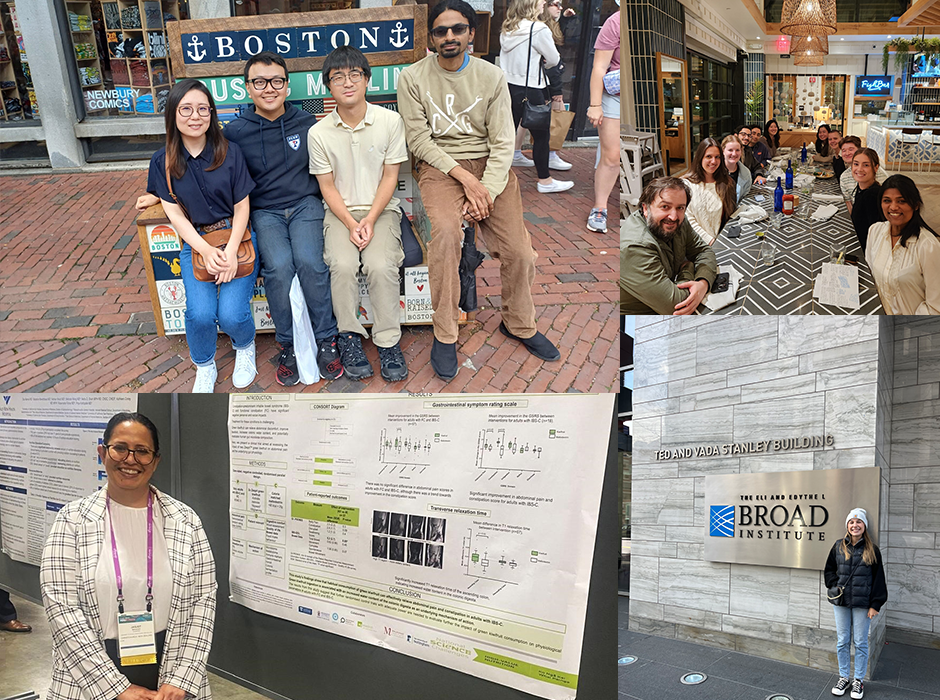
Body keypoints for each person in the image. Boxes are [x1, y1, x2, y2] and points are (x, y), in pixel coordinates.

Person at [398, 0, 560, 381]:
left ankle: (519, 323)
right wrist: (467, 183)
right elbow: (418, 139)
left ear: (472, 33)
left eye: (458, 29)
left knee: (521, 252)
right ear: (432, 38)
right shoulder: (413, 78)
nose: (450, 37)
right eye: (441, 31)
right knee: (446, 238)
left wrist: (485, 187)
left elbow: (504, 141)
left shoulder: (492, 76)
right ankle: (445, 331)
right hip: (440, 168)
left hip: (490, 166)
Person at [40, 412, 216, 700]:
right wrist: (116, 688)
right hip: (89, 676)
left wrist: (182, 678)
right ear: (102, 453)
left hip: (170, 678)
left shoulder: (186, 521)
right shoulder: (72, 520)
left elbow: (203, 603)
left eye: (142, 452)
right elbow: (61, 609)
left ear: (156, 460)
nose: (130, 459)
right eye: (120, 448)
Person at [223, 52, 344, 384]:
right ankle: (288, 344)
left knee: (309, 261)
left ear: (287, 86)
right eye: (259, 82)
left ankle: (326, 339)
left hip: (305, 204)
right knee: (278, 267)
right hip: (265, 211)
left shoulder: (308, 123)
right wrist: (160, 191)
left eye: (276, 81)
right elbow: (208, 169)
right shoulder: (234, 132)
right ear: (248, 88)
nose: (269, 88)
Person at [145, 79, 259, 393]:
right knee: (200, 314)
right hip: (196, 242)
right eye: (186, 109)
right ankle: (205, 364)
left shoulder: (229, 152)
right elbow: (175, 215)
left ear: (211, 113)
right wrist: (206, 252)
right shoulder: (162, 161)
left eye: (202, 109)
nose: (195, 116)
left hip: (238, 238)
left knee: (232, 313)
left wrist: (232, 250)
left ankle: (244, 346)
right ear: (173, 114)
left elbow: (242, 206)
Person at [308, 46, 409, 382]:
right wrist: (352, 223)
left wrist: (369, 219)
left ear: (367, 80)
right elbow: (327, 187)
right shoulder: (318, 132)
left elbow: (391, 177)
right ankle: (349, 338)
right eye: (338, 77)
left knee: (381, 265)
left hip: (381, 209)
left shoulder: (390, 121)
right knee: (343, 264)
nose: (347, 82)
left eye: (355, 75)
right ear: (328, 86)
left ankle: (388, 341)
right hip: (340, 213)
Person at [499, 0, 572, 194]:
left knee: (505, 134)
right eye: (541, 2)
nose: (543, 5)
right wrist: (544, 63)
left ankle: (497, 176)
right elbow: (554, 60)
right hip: (531, 87)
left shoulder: (507, 28)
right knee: (541, 136)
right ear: (530, 5)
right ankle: (545, 181)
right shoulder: (538, 29)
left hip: (507, 86)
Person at [620, 177, 718, 315]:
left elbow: (703, 251)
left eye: (680, 208)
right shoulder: (635, 247)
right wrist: (688, 268)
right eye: (665, 207)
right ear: (646, 208)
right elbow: (677, 306)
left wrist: (703, 282)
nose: (673, 216)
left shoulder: (679, 222)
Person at [823, 507, 887, 700]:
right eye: (851, 522)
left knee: (860, 642)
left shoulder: (872, 550)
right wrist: (834, 586)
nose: (855, 525)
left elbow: (878, 579)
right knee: (843, 641)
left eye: (859, 522)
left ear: (864, 526)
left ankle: (858, 680)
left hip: (863, 604)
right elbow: (829, 570)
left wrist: (875, 604)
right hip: (841, 602)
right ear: (847, 525)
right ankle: (844, 677)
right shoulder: (838, 546)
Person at [866, 174, 940, 314]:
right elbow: (871, 278)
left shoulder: (928, 246)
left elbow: (936, 307)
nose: (893, 207)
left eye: (901, 201)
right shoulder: (875, 231)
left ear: (915, 205)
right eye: (887, 200)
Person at [585, 8, 620, 233]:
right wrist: (595, 104)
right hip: (615, 96)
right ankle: (600, 208)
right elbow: (599, 66)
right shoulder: (615, 22)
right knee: (612, 156)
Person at [682, 138, 737, 245]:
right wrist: (711, 242)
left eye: (717, 157)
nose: (713, 161)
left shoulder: (726, 183)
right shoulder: (686, 185)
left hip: (720, 242)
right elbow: (688, 220)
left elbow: (729, 217)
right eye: (708, 156)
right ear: (700, 158)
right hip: (694, 245)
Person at [850, 148, 886, 253]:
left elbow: (874, 235)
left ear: (876, 168)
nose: (859, 169)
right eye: (856, 164)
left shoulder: (873, 195)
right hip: (857, 243)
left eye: (866, 165)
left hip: (864, 251)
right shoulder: (861, 188)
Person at [722, 134, 752, 203]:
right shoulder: (714, 171)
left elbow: (744, 198)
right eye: (730, 150)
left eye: (737, 150)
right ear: (723, 151)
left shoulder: (746, 173)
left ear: (741, 151)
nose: (734, 154)